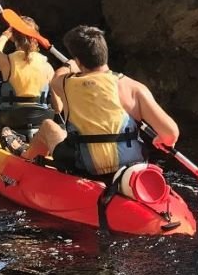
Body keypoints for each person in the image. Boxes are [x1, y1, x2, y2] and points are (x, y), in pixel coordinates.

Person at [23, 25, 180, 176]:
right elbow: (171, 134)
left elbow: (56, 77)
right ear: (104, 53)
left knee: (48, 126)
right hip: (131, 169)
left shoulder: (65, 84)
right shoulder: (134, 88)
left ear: (78, 61)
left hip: (85, 168)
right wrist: (161, 139)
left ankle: (25, 161)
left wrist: (69, 65)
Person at [0, 19, 59, 144]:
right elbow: (58, 107)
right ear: (36, 38)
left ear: (14, 37)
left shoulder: (7, 62)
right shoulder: (48, 67)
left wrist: (6, 34)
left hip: (10, 119)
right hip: (40, 120)